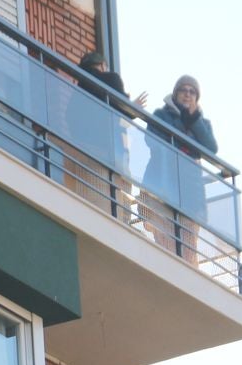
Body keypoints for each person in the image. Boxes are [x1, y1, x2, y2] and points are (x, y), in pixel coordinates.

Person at [140, 75, 218, 265]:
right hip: (161, 187)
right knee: (165, 244)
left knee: (189, 250)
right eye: (183, 90)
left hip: (190, 195)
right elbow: (151, 140)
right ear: (175, 93)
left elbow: (211, 149)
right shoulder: (162, 115)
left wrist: (193, 120)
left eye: (192, 92)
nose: (187, 95)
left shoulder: (201, 123)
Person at [63, 52, 146, 215]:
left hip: (81, 157)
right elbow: (120, 108)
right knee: (115, 209)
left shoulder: (77, 92)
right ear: (102, 65)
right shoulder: (111, 79)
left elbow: (70, 118)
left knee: (89, 208)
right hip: (107, 155)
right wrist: (133, 108)